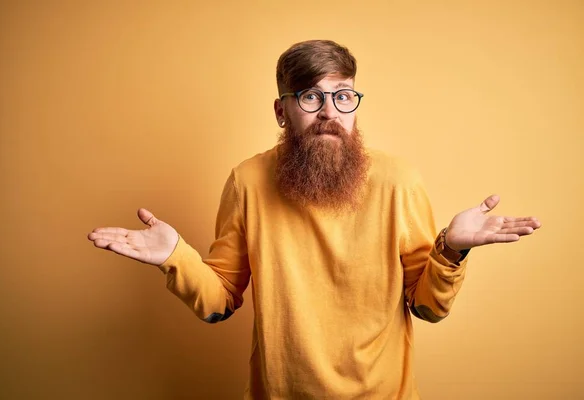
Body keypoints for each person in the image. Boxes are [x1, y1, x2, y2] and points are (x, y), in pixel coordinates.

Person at [87, 40, 541, 399]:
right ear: (282, 112)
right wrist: (175, 257)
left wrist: (452, 250)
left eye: (343, 96)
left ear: (355, 105)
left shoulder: (398, 180)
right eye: (311, 97)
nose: (329, 112)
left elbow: (428, 308)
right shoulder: (248, 180)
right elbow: (218, 303)